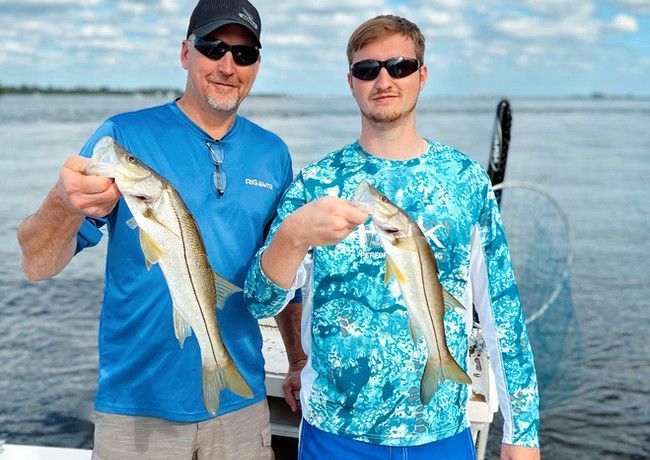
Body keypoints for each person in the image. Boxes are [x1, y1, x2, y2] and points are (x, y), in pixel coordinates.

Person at [16, 1, 305, 459]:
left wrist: (296, 360)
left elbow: (285, 277)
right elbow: (36, 265)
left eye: (244, 54)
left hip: (242, 408)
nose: (228, 66)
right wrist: (61, 202)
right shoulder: (123, 135)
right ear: (185, 53)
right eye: (213, 48)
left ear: (256, 66)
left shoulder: (274, 154)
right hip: (136, 407)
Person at [244, 15, 541, 460]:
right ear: (351, 82)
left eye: (399, 66)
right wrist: (293, 235)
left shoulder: (464, 180)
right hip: (334, 435)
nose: (383, 79)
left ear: (422, 75)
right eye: (367, 70)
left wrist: (524, 431)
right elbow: (260, 302)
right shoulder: (315, 183)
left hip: (442, 434)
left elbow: (502, 308)